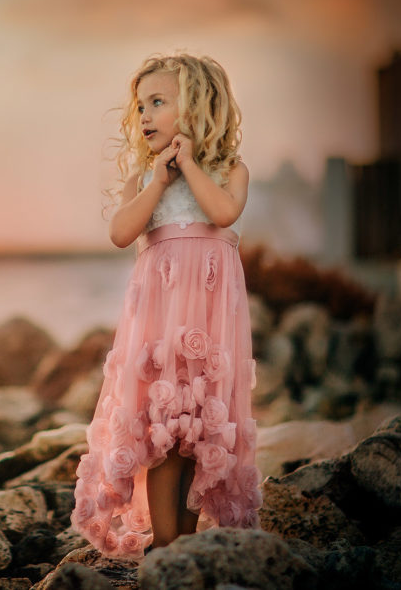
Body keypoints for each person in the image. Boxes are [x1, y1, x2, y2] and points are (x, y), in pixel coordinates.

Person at [70, 53, 263, 559]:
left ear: (198, 108)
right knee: (161, 430)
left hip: (210, 327)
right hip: (159, 328)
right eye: (141, 106)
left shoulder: (228, 173)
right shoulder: (145, 180)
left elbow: (223, 213)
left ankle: (185, 537)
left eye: (158, 102)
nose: (145, 116)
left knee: (200, 431)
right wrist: (157, 179)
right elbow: (119, 234)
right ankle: (165, 543)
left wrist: (190, 165)